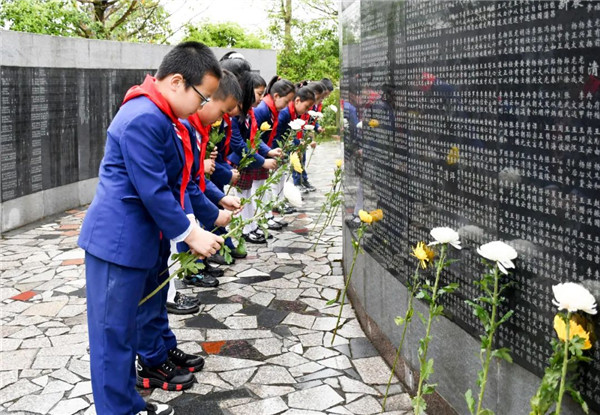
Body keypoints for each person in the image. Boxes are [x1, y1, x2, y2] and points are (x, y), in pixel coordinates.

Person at [78, 41, 224, 415]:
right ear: (177, 81)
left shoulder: (159, 115)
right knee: (113, 338)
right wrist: (191, 233)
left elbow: (170, 184)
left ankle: (126, 404)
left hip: (139, 240)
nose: (203, 106)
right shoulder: (144, 116)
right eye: (202, 97)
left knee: (126, 332)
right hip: (118, 244)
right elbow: (153, 189)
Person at [253, 76, 295, 232]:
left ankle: (266, 217)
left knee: (261, 187)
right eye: (286, 101)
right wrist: (267, 152)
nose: (286, 106)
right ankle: (257, 221)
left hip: (263, 153)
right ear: (276, 96)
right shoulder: (262, 109)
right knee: (254, 191)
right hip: (255, 155)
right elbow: (253, 137)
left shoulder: (270, 109)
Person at [270, 87, 316, 214]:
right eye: (306, 107)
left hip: (283, 149)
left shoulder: (293, 112)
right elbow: (277, 134)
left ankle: (280, 201)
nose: (307, 111)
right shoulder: (285, 113)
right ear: (297, 101)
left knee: (281, 178)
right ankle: (275, 204)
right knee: (275, 179)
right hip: (276, 149)